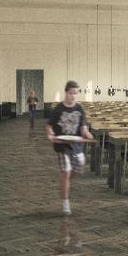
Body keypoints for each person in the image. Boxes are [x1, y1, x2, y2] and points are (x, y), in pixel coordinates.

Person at [46, 81, 93, 215]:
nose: (73, 96)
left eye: (75, 94)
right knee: (66, 170)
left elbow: (83, 127)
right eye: (71, 93)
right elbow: (49, 125)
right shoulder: (58, 109)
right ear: (66, 92)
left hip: (77, 145)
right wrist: (50, 134)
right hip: (61, 144)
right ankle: (65, 203)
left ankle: (64, 181)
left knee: (79, 167)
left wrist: (87, 134)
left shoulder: (79, 109)